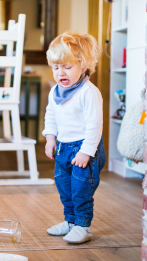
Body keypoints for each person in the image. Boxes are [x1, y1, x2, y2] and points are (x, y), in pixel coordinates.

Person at [42, 31, 106, 244]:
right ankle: (70, 221)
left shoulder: (88, 92)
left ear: (83, 65)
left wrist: (86, 152)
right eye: (56, 67)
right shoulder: (56, 92)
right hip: (63, 147)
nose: (61, 73)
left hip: (84, 148)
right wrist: (51, 138)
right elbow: (51, 114)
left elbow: (94, 126)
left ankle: (83, 226)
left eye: (67, 67)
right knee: (65, 188)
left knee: (81, 190)